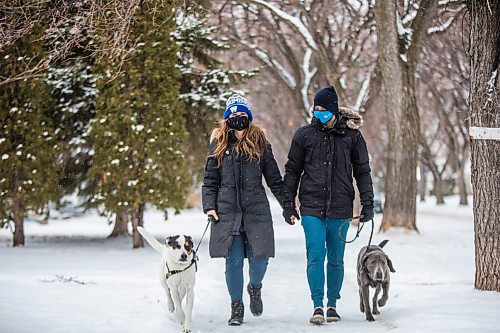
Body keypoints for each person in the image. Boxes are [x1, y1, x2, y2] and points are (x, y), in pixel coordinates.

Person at [281, 86, 374, 324]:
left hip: (341, 206)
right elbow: (292, 170)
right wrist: (288, 203)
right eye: (316, 108)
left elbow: (362, 171)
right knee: (315, 255)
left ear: (333, 109)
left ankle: (332, 304)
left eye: (323, 108)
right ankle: (317, 306)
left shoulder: (352, 137)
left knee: (335, 259)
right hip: (311, 206)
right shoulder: (304, 135)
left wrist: (367, 202)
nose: (318, 112)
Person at [202, 95, 283, 326]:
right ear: (228, 119)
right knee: (233, 261)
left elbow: (274, 179)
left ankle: (254, 287)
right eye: (234, 116)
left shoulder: (261, 143)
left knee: (261, 260)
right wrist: (209, 206)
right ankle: (236, 306)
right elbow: (210, 180)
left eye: (243, 115)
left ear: (249, 117)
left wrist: (288, 206)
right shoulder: (218, 145)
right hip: (227, 211)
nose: (239, 119)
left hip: (256, 209)